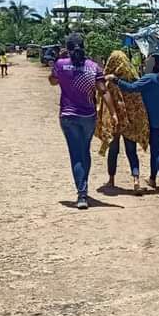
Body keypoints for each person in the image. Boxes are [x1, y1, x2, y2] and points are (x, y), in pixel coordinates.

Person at [49, 33, 113, 209]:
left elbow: (52, 81)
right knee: (84, 152)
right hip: (88, 117)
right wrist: (113, 113)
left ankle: (82, 194)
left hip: (68, 117)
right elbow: (103, 90)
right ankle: (84, 189)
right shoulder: (94, 67)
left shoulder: (61, 65)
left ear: (67, 48)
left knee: (76, 154)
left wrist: (59, 60)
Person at [105, 54, 159, 196]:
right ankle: (152, 179)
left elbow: (131, 88)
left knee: (158, 150)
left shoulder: (149, 79)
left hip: (154, 121)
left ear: (152, 64)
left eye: (147, 62)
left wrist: (115, 79)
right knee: (156, 147)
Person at [96, 50, 149, 193]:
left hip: (114, 122)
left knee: (113, 151)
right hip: (130, 123)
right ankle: (136, 180)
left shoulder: (109, 83)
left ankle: (111, 180)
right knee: (131, 151)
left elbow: (102, 102)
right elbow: (139, 104)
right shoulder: (133, 79)